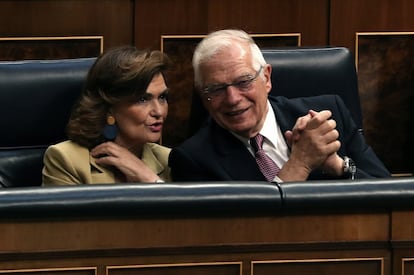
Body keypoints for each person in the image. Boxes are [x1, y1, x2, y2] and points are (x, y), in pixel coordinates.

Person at [169, 29, 390, 182]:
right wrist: (299, 164)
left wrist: (337, 167)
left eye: (243, 82)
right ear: (202, 94)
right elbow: (240, 233)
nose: (233, 98)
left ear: (266, 78)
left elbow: (391, 197)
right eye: (216, 89)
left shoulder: (328, 115)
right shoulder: (193, 159)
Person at [42, 46, 172, 185]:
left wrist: (150, 179)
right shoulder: (67, 160)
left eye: (162, 97)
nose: (159, 112)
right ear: (110, 106)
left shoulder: (168, 160)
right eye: (142, 99)